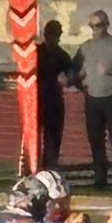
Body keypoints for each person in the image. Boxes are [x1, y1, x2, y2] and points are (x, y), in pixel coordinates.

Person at [71, 10, 112, 189]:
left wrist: (110, 70)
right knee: (95, 138)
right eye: (91, 26)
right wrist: (76, 81)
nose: (94, 29)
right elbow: (76, 69)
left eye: (97, 26)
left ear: (106, 24)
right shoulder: (86, 47)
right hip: (92, 97)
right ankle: (100, 176)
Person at [38, 20, 73, 170]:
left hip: (52, 100)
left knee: (52, 138)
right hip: (38, 100)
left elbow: (70, 74)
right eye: (49, 35)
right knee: (35, 137)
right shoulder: (36, 52)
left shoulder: (62, 56)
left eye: (54, 35)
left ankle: (49, 167)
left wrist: (67, 78)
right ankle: (34, 167)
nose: (51, 38)